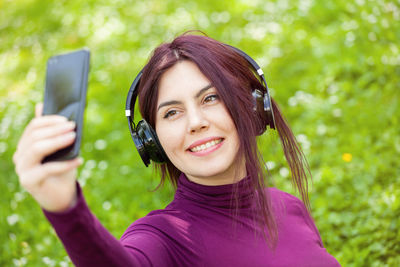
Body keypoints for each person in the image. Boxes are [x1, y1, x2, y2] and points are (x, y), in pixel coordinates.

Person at [13, 32, 341, 266]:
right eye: (172, 112)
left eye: (210, 98)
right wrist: (65, 209)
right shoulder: (162, 238)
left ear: (254, 107)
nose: (195, 122)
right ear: (152, 141)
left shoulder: (288, 206)